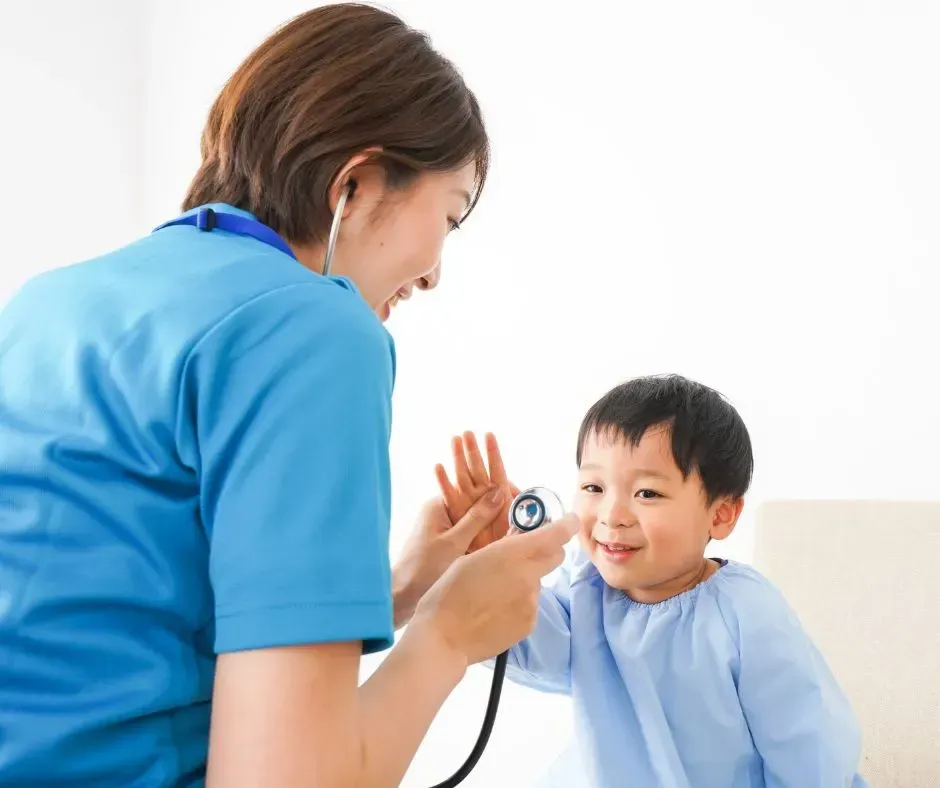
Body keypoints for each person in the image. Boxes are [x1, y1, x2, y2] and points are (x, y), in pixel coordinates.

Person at [0, 5, 579, 787]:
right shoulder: (316, 328)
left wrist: (402, 590)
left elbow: (110, 614)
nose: (436, 272)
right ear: (356, 182)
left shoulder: (51, 300)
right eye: (447, 214)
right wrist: (449, 632)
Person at [438, 375, 868, 788]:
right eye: (593, 486)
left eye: (647, 493)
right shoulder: (587, 586)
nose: (612, 514)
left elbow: (807, 746)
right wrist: (490, 567)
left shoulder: (746, 612)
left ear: (721, 514)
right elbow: (536, 647)